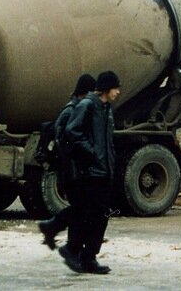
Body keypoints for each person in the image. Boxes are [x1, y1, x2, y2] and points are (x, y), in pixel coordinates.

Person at [59, 69, 121, 275]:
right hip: (91, 172)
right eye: (115, 88)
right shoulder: (87, 105)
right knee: (86, 214)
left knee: (100, 217)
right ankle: (72, 249)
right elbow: (72, 132)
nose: (118, 92)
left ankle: (89, 257)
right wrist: (91, 153)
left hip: (104, 171)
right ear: (105, 89)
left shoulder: (106, 109)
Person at [38, 73, 96, 250]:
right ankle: (56, 231)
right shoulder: (72, 111)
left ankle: (62, 236)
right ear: (85, 92)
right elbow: (64, 142)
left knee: (80, 208)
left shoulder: (75, 108)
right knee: (81, 208)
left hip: (72, 169)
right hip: (71, 170)